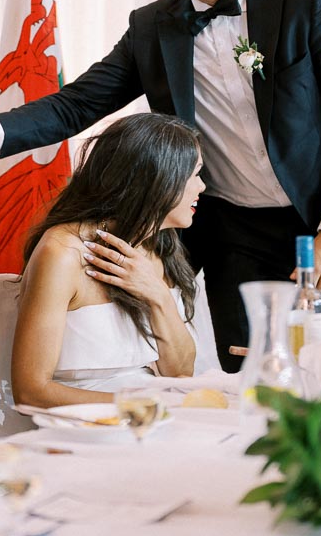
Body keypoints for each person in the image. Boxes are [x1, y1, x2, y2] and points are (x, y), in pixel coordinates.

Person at [0, 0, 321, 372]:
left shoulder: (304, 4)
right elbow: (77, 104)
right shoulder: (150, 28)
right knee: (253, 388)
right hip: (235, 238)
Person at [11, 114, 199, 407]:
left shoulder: (159, 247)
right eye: (194, 175)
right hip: (79, 430)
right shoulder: (62, 253)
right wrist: (141, 408)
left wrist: (158, 295)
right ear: (159, 179)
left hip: (152, 422)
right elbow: (30, 392)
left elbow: (181, 372)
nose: (201, 187)